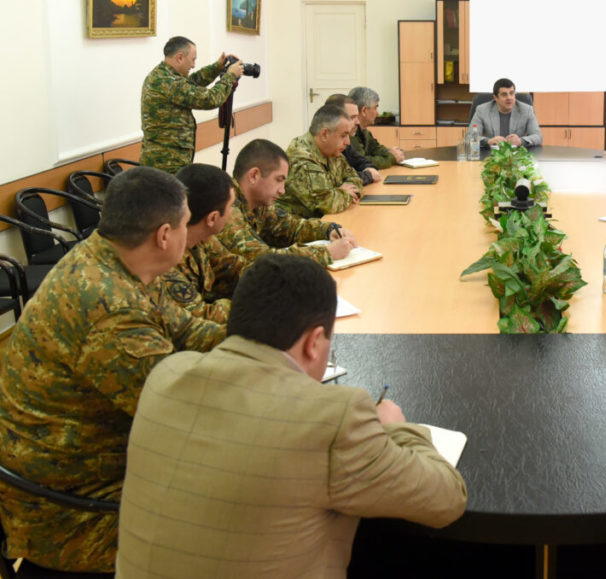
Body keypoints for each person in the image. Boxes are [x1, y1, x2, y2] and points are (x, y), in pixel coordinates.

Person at [117, 254, 468, 578]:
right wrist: (398, 428)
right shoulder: (333, 419)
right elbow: (447, 500)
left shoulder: (166, 375)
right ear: (314, 342)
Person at [0, 167, 225, 574]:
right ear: (163, 235)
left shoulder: (116, 259)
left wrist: (261, 337)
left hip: (85, 469)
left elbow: (187, 327)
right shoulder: (109, 306)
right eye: (184, 221)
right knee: (239, 511)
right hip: (73, 511)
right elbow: (184, 416)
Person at [218, 139, 357, 266]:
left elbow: (290, 228)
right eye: (279, 180)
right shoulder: (227, 209)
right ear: (254, 175)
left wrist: (328, 229)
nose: (282, 191)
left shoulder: (258, 203)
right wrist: (326, 253)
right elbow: (262, 259)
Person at [140, 36, 244, 173]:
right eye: (193, 60)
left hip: (164, 160)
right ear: (179, 57)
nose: (194, 65)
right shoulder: (168, 82)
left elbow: (192, 83)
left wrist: (217, 67)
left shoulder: (163, 75)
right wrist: (230, 76)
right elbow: (210, 99)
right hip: (166, 164)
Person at [161, 163, 247, 324]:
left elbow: (235, 267)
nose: (232, 214)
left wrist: (273, 281)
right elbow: (201, 316)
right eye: (231, 207)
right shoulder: (166, 260)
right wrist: (262, 303)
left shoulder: (204, 238)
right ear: (212, 218)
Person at [278, 104, 364, 218]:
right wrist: (344, 193)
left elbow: (355, 178)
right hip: (300, 229)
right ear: (324, 134)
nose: (348, 142)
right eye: (343, 135)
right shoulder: (301, 159)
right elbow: (328, 204)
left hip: (325, 222)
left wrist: (338, 193)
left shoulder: (331, 151)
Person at [326, 93, 382, 185]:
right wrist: (368, 175)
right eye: (352, 117)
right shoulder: (307, 152)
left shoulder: (344, 142)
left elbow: (362, 162)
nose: (357, 122)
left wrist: (368, 171)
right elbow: (335, 182)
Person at [470, 77, 543, 147]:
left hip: (518, 154)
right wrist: (488, 141)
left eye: (512, 93)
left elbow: (538, 137)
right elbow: (470, 136)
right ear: (495, 97)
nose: (509, 98)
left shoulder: (527, 110)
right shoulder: (482, 110)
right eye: (504, 95)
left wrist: (520, 141)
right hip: (492, 154)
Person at [348, 86, 405, 166]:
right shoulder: (349, 133)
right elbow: (361, 161)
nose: (377, 113)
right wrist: (391, 157)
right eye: (375, 108)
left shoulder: (365, 131)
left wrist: (390, 152)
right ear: (364, 110)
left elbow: (375, 148)